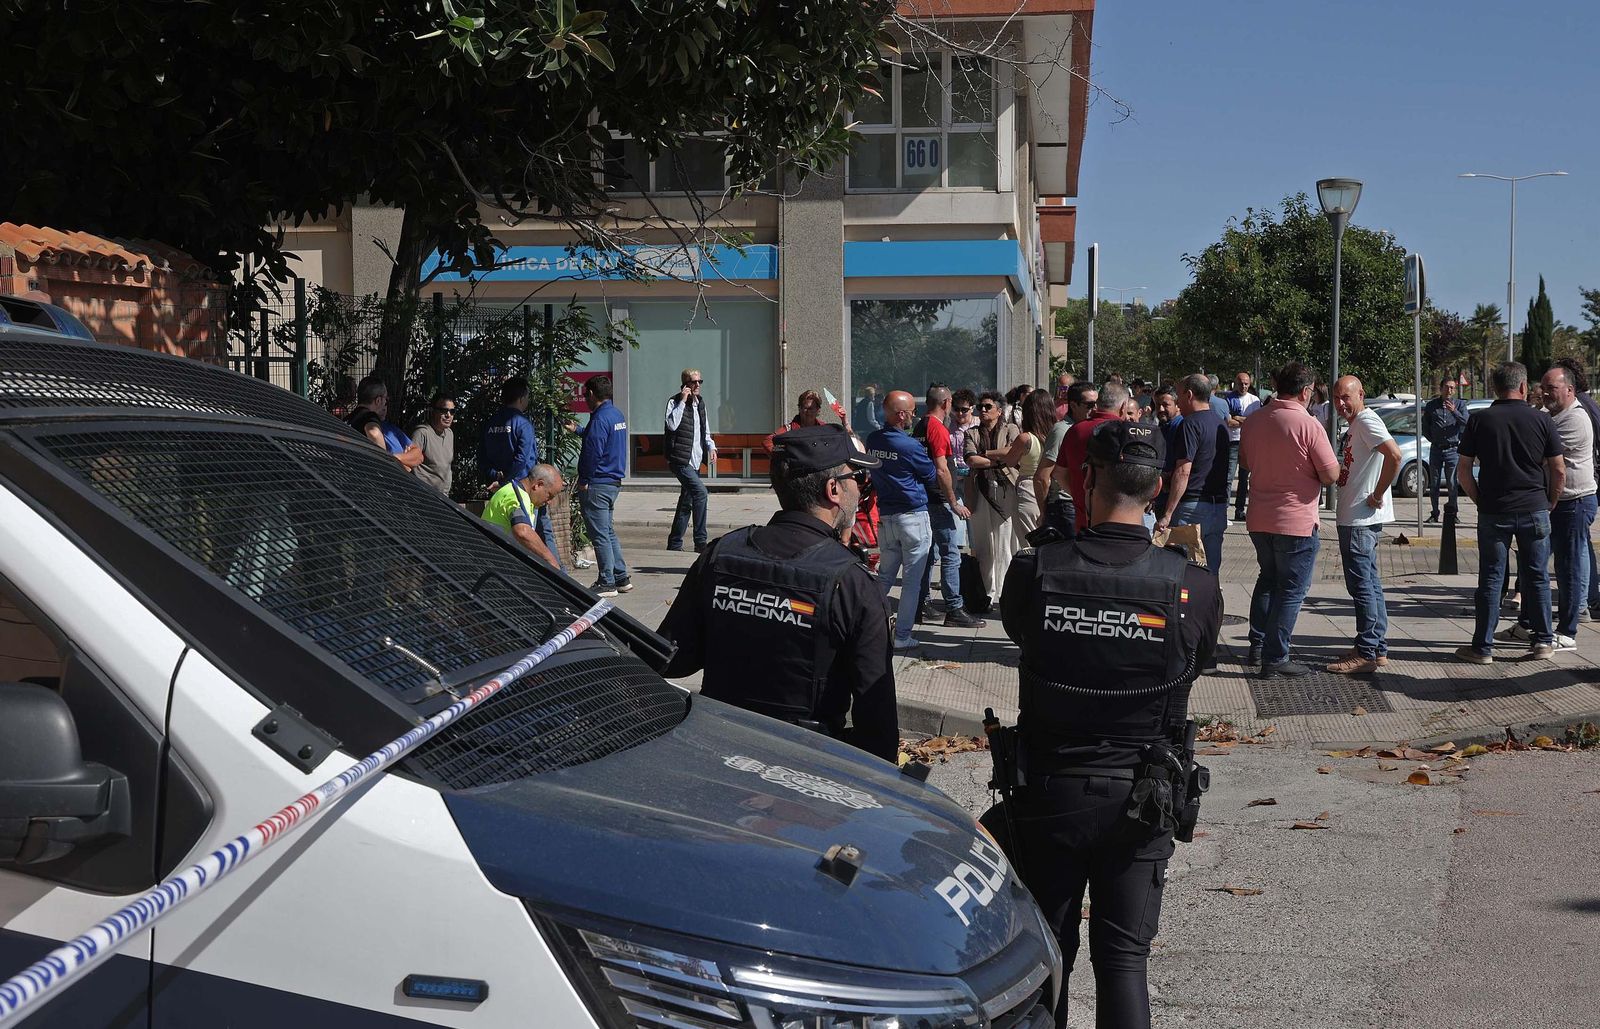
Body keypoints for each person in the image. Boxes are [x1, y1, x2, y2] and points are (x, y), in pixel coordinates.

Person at [990, 419, 1222, 1029]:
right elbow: (1200, 662)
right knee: (1124, 961)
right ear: (1157, 490)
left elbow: (1021, 633)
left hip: (1049, 788)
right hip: (1142, 795)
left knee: (1046, 955)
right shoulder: (1192, 584)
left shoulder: (1035, 570)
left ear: (1088, 478)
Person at [657, 425, 898, 761]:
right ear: (834, 490)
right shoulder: (854, 583)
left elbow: (672, 658)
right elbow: (877, 718)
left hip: (716, 753)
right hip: (803, 767)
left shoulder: (721, 553)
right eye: (857, 477)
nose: (861, 488)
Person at [1455, 362, 1563, 664]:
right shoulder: (1542, 421)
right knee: (1538, 577)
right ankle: (1543, 642)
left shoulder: (1479, 420)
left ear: (1494, 388)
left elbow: (1463, 470)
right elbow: (1558, 468)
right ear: (1524, 387)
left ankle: (1483, 648)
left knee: (1490, 579)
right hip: (1534, 507)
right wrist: (1550, 501)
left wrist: (1479, 500)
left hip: (1494, 510)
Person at [1238, 362, 1340, 676]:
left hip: (1259, 517)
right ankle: (1275, 656)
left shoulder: (1254, 420)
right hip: (1295, 520)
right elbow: (1331, 474)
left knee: (1267, 580)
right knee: (1292, 590)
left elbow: (1244, 461)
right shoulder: (1308, 425)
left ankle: (1257, 646)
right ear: (1306, 391)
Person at [1328, 376, 1401, 674]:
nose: (1341, 403)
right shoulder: (1357, 424)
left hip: (1360, 519)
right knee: (1369, 585)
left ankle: (1367, 650)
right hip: (1355, 518)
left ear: (1361, 394)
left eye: (1346, 397)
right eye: (1336, 398)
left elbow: (1395, 456)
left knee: (1362, 588)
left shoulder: (1368, 421)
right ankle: (1376, 647)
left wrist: (1378, 493)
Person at [866, 391, 939, 649]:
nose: (913, 417)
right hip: (913, 517)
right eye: (911, 412)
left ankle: (863, 624)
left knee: (884, 577)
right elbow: (931, 475)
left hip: (886, 517)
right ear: (901, 414)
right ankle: (902, 636)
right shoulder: (910, 445)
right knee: (911, 582)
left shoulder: (873, 439)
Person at [1528, 366, 1593, 651]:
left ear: (1569, 389)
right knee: (1534, 565)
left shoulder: (1575, 419)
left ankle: (1568, 632)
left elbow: (1541, 456)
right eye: (1542, 386)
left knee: (1567, 568)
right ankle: (1528, 623)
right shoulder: (1549, 416)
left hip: (1573, 502)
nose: (1544, 392)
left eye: (1551, 388)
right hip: (1553, 503)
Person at [914, 386, 985, 628]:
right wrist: (953, 502)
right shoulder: (937, 429)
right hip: (938, 499)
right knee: (951, 554)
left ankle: (921, 604)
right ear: (946, 404)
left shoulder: (920, 426)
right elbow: (942, 468)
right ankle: (954, 608)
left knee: (929, 554)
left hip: (925, 497)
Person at [481, 376, 561, 562]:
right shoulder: (522, 423)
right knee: (542, 531)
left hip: (500, 485)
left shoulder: (492, 422)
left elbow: (482, 455)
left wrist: (496, 477)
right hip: (525, 486)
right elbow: (522, 457)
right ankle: (559, 574)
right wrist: (508, 479)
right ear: (521, 398)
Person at [1155, 374, 1228, 572]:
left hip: (1192, 509)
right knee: (1210, 572)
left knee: (1186, 573)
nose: (1177, 402)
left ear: (1189, 395)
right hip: (1218, 507)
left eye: (1178, 396)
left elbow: (1183, 471)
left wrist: (1167, 514)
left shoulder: (1190, 424)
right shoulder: (1221, 423)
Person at [964, 391, 1021, 609]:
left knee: (1004, 544)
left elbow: (1013, 453)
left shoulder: (1011, 429)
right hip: (979, 490)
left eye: (988, 406)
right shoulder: (972, 433)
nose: (983, 410)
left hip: (1006, 489)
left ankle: (1006, 594)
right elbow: (970, 459)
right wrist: (998, 461)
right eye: (980, 407)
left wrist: (986, 453)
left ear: (999, 410)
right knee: (983, 544)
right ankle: (986, 594)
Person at [577, 375, 632, 598]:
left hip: (597, 483)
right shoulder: (616, 414)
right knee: (608, 532)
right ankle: (621, 577)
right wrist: (580, 431)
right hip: (612, 482)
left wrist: (584, 480)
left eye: (585, 395)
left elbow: (593, 451)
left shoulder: (599, 418)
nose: (585, 399)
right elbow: (603, 440)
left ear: (591, 394)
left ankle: (606, 581)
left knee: (600, 534)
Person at [1555, 357, 1600, 621]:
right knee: (1581, 545)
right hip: (1585, 485)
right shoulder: (1584, 405)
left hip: (1580, 488)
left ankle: (1581, 604)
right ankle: (1586, 599)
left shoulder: (1581, 408)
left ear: (1569, 385)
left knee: (1576, 547)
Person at [1061, 382, 1128, 533]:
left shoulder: (1075, 431)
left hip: (1083, 519)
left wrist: (1078, 493)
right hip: (1119, 522)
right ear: (1124, 407)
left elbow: (1059, 472)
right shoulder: (1126, 433)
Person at [665, 368, 717, 553]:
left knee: (686, 501)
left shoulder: (700, 404)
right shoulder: (674, 401)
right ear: (685, 384)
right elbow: (672, 425)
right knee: (701, 493)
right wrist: (682, 401)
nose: (697, 385)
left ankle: (675, 543)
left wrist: (711, 447)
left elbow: (705, 428)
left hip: (695, 459)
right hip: (680, 459)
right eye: (694, 382)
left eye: (699, 382)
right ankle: (700, 541)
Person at [996, 389, 1055, 543]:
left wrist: (988, 453)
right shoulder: (1056, 435)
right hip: (1052, 487)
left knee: (1029, 543)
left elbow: (1009, 461)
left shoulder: (1025, 438)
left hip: (1028, 488)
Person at [480, 464, 565, 569]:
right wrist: (551, 560)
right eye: (550, 495)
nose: (550, 502)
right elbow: (522, 532)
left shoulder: (516, 492)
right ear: (538, 484)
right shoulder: (517, 496)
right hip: (495, 564)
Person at [1033, 384, 1086, 539]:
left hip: (1080, 505)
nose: (1094, 408)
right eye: (1089, 404)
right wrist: (1043, 512)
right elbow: (1043, 476)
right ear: (1074, 405)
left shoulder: (1083, 428)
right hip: (1065, 507)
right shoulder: (1061, 431)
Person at [345, 375, 424, 471]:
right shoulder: (369, 416)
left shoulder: (348, 419)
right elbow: (374, 433)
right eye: (385, 399)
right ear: (378, 400)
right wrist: (385, 460)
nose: (385, 404)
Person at [1421, 377, 1470, 523]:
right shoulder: (1431, 406)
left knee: (1452, 483)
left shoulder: (1460, 405)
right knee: (1434, 483)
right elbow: (1425, 427)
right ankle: (1434, 513)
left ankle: (1453, 513)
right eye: (1447, 387)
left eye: (1452, 388)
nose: (1450, 390)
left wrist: (1454, 412)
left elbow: (1467, 422)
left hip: (1452, 449)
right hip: (1436, 449)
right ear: (1441, 388)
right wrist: (1434, 440)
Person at [1225, 371, 1262, 521]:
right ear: (1236, 383)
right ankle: (1224, 509)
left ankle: (1240, 510)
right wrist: (1245, 420)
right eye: (1241, 383)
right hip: (1232, 442)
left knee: (1244, 479)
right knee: (1228, 477)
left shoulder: (1254, 401)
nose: (1243, 386)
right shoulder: (1228, 399)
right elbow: (1228, 422)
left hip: (1248, 442)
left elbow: (1256, 422)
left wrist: (1237, 418)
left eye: (1246, 383)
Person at [765, 389, 847, 453]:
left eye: (811, 408)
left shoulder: (823, 428)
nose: (808, 412)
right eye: (805, 408)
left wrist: (844, 421)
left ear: (818, 410)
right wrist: (783, 456)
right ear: (799, 408)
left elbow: (844, 442)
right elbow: (767, 441)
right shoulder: (789, 429)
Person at [412, 393, 456, 496]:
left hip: (444, 496)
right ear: (433, 411)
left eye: (452, 411)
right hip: (424, 495)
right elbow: (410, 462)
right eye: (444, 411)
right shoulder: (421, 433)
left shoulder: (450, 433)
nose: (448, 415)